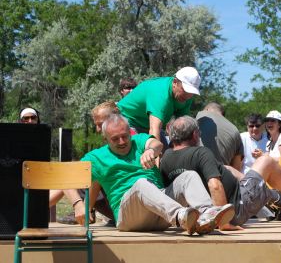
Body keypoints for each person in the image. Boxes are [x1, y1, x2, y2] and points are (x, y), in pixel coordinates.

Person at [82, 114, 234, 235]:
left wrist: (150, 151)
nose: (122, 141)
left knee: (189, 176)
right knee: (141, 184)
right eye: (115, 139)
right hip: (129, 217)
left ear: (130, 132)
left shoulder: (139, 141)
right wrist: (77, 204)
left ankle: (206, 214)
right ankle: (181, 216)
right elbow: (64, 178)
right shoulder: (95, 157)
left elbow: (157, 144)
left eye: (125, 136)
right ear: (105, 139)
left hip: (161, 213)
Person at [160, 116, 281, 229]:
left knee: (228, 169)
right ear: (195, 134)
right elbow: (215, 185)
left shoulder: (166, 159)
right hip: (236, 208)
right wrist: (224, 222)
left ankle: (277, 197)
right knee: (266, 161)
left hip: (210, 211)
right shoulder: (200, 153)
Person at [17, 107, 88, 225]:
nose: (30, 121)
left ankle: (83, 209)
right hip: (17, 196)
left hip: (40, 197)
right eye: (26, 118)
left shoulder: (43, 140)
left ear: (37, 119)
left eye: (33, 117)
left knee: (65, 176)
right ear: (20, 121)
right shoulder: (12, 140)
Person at [117, 66, 201, 148]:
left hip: (147, 125)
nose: (188, 96)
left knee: (167, 155)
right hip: (127, 121)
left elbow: (183, 127)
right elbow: (154, 129)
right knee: (144, 156)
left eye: (192, 91)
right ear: (175, 82)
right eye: (185, 89)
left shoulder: (186, 96)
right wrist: (156, 156)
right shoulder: (160, 94)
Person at [195, 102, 243, 171]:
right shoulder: (235, 130)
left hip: (194, 176)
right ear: (222, 114)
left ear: (207, 109)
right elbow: (236, 168)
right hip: (221, 177)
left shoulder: (200, 116)